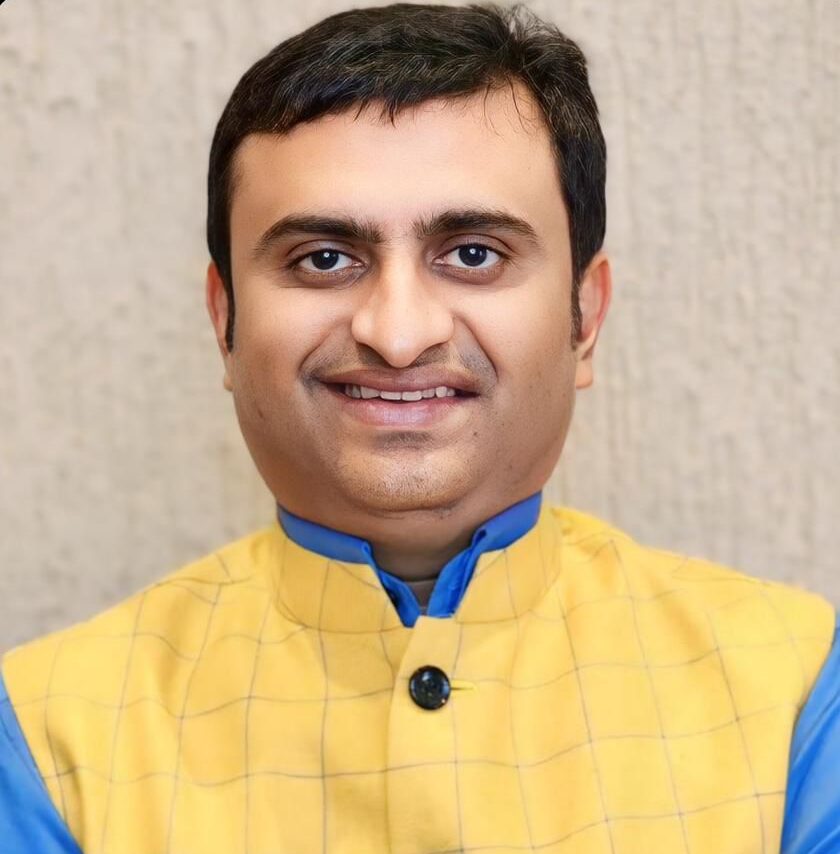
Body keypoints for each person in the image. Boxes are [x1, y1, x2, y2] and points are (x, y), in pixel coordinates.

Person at [1, 3, 837, 852]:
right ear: (226, 322)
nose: (397, 335)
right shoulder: (43, 736)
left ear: (585, 315)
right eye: (324, 259)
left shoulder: (799, 690)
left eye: (473, 253)